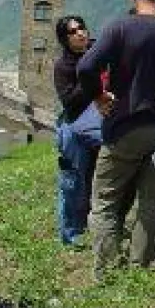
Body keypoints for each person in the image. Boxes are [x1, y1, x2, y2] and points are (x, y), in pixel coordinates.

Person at [77, 0, 155, 281]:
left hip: (124, 127)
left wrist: (98, 95)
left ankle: (108, 270)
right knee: (151, 201)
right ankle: (140, 267)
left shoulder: (120, 28)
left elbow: (86, 66)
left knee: (106, 201)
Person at [52, 14, 103, 248]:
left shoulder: (96, 51)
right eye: (73, 32)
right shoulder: (63, 67)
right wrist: (88, 76)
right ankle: (70, 232)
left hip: (99, 126)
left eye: (81, 28)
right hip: (73, 129)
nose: (80, 33)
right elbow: (69, 101)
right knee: (73, 180)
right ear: (65, 39)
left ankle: (91, 225)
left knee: (95, 177)